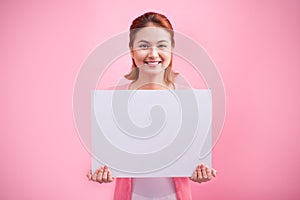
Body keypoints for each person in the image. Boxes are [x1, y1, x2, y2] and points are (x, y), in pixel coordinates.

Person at [87, 12, 217, 200]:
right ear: (131, 49)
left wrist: (200, 172)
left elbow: (193, 161)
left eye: (161, 45)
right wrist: (101, 171)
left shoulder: (191, 102)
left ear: (171, 48)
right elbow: (106, 159)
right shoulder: (110, 100)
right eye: (144, 45)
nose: (153, 54)